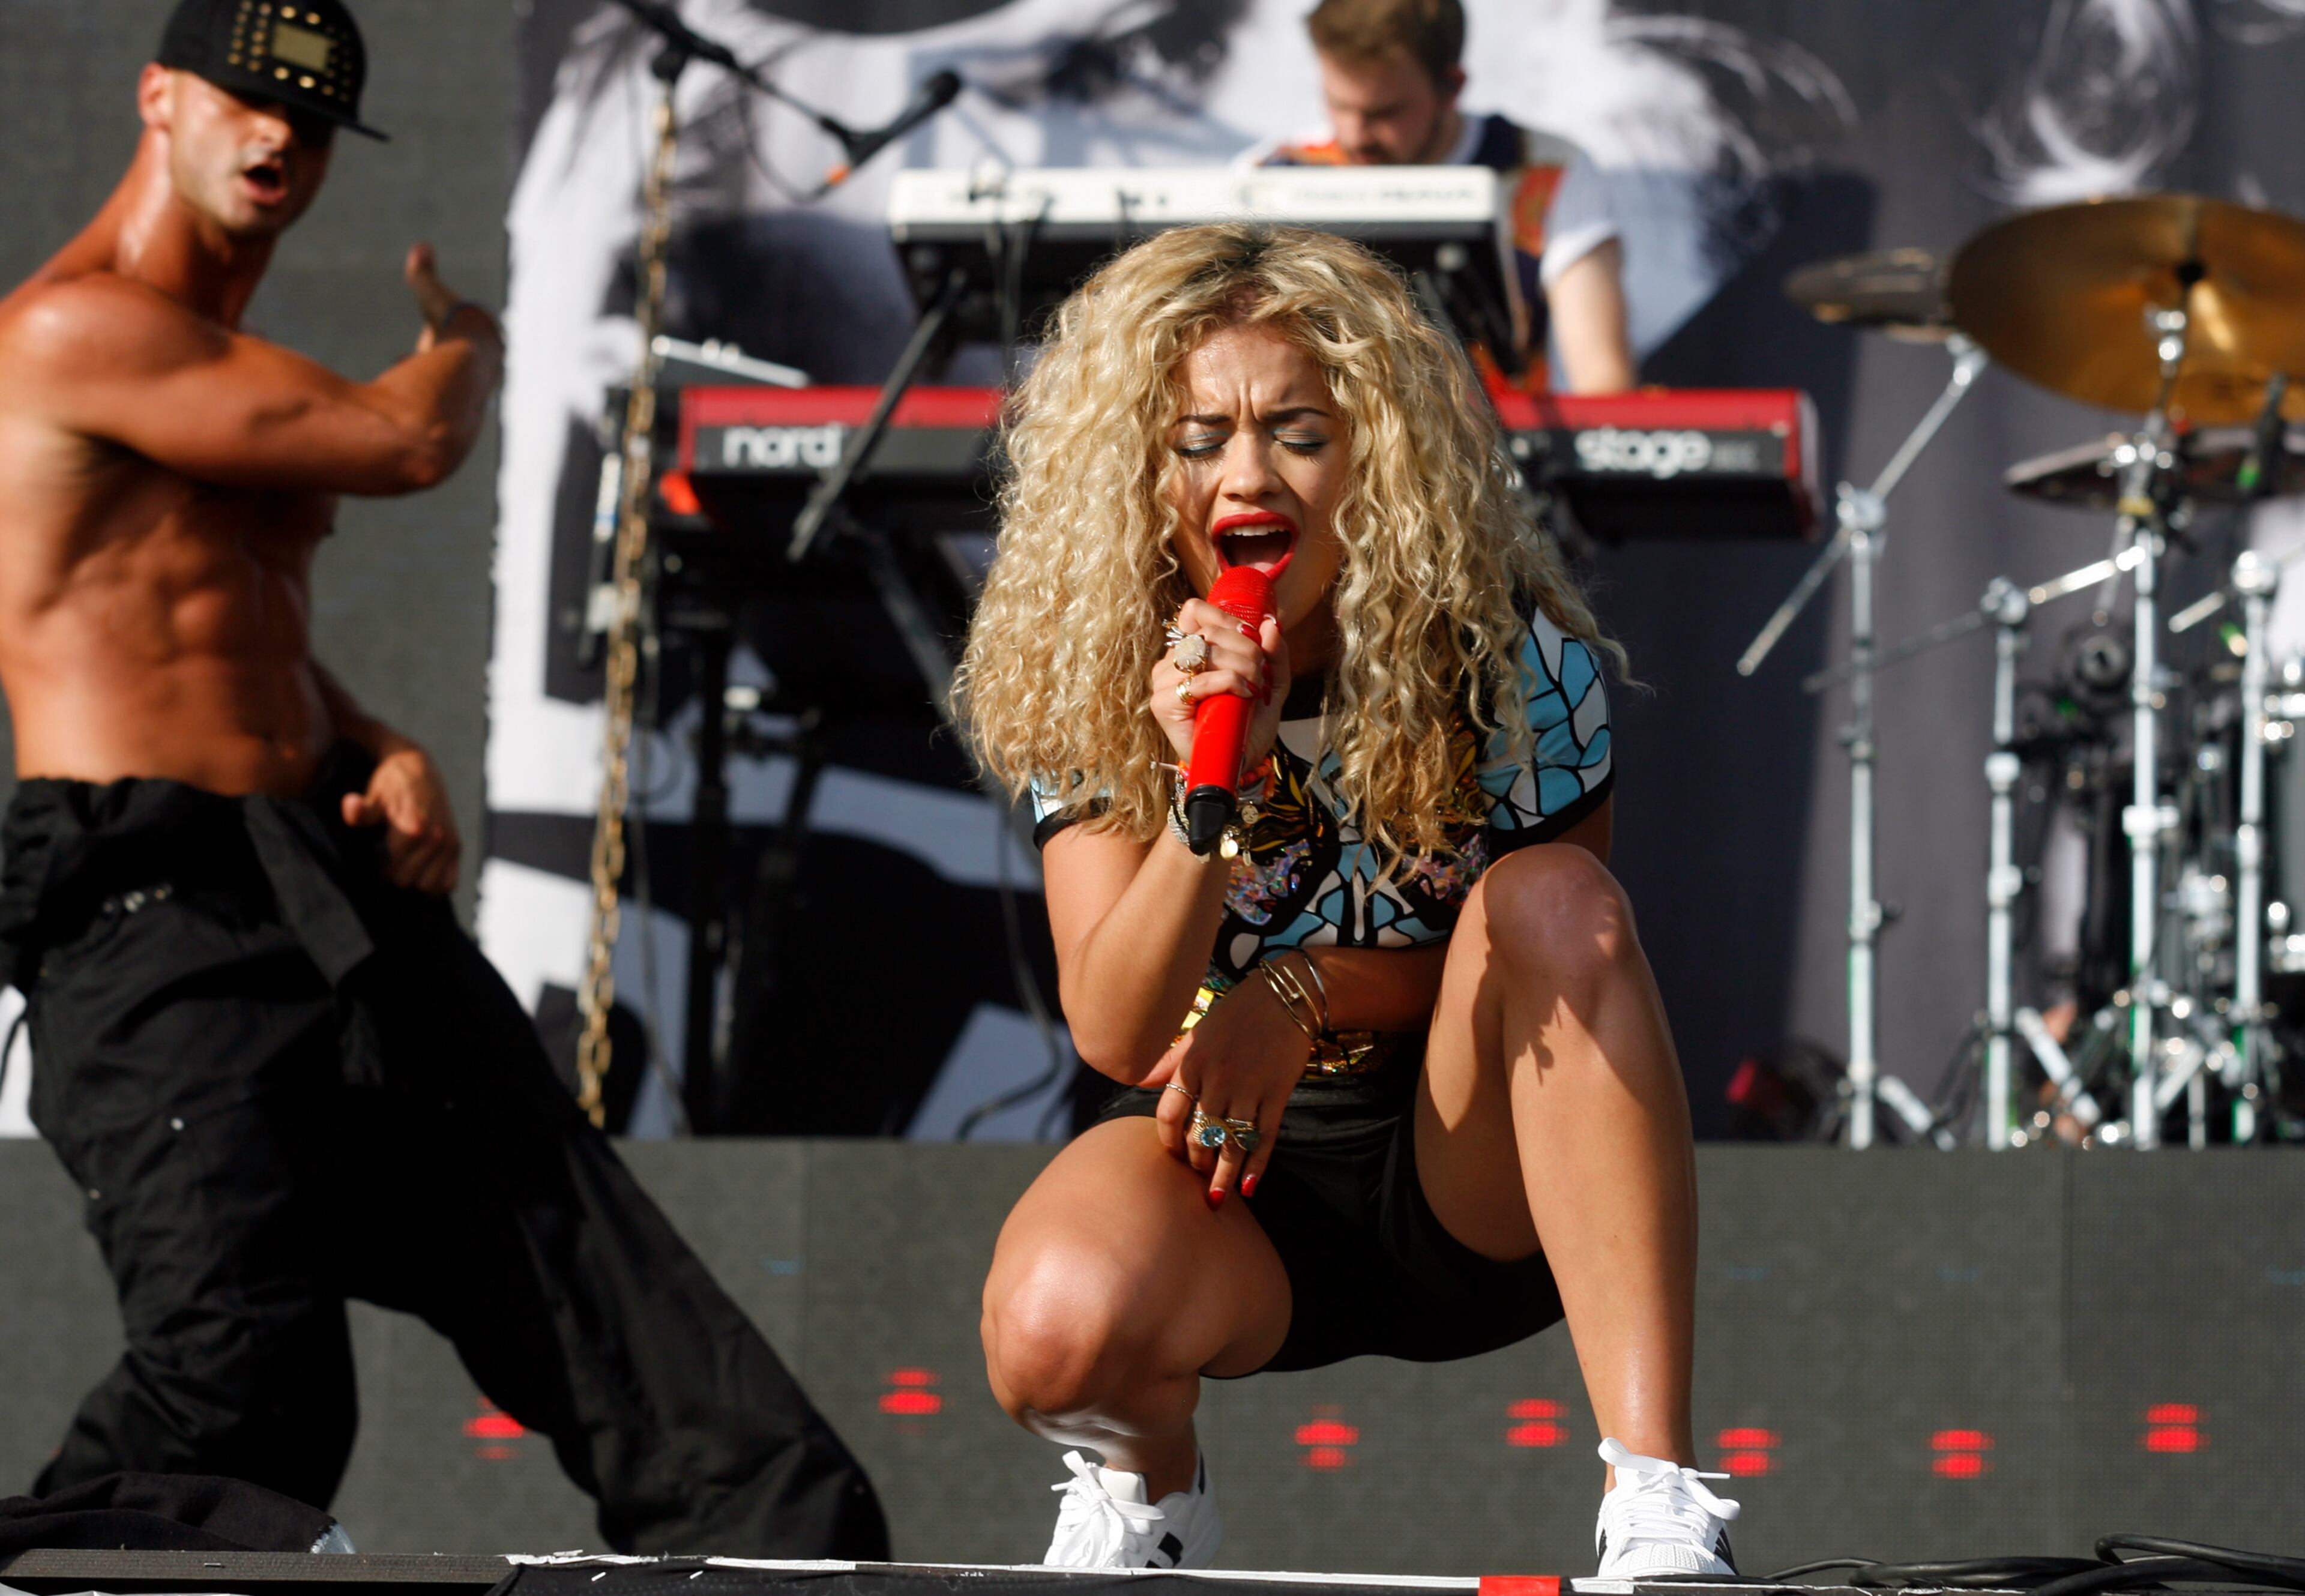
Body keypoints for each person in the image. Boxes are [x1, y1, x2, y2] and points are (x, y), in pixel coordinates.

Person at [0, 0, 885, 1557]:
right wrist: (470, 344)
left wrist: (377, 738)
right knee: (244, 1396)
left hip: (326, 875)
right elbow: (406, 444)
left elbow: (218, 624)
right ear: (156, 99)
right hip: (158, 916)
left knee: (607, 1300)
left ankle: (790, 1558)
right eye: (243, 101)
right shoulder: (75, 330)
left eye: (313, 117)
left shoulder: (217, 364)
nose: (280, 136)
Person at [958, 224, 1735, 1577]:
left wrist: (1301, 992)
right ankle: (1152, 1493)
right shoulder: (1086, 669)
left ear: (1377, 455)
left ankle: (1658, 1499)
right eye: (1200, 436)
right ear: (1142, 472)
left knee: (1553, 896)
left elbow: (1555, 953)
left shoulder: (1512, 663)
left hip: (1474, 1170)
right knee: (1050, 1328)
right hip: (1229, 1174)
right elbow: (1116, 1029)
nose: (1246, 472)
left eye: (1298, 431)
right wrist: (1212, 796)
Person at [1250, 0, 1636, 394]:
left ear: (1451, 88)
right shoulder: (1267, 178)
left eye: (1385, 113)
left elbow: (1604, 380)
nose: (1354, 135)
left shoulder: (1548, 169)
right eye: (1338, 105)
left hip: (1492, 447)